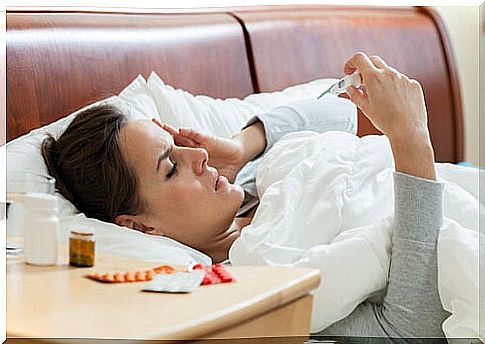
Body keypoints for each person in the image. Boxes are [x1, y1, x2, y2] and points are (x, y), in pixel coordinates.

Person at [41, 52, 449, 339]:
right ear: (140, 226)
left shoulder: (253, 184)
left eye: (176, 142)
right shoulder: (255, 281)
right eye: (170, 166)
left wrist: (240, 148)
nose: (199, 155)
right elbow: (408, 330)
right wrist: (412, 144)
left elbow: (335, 115)